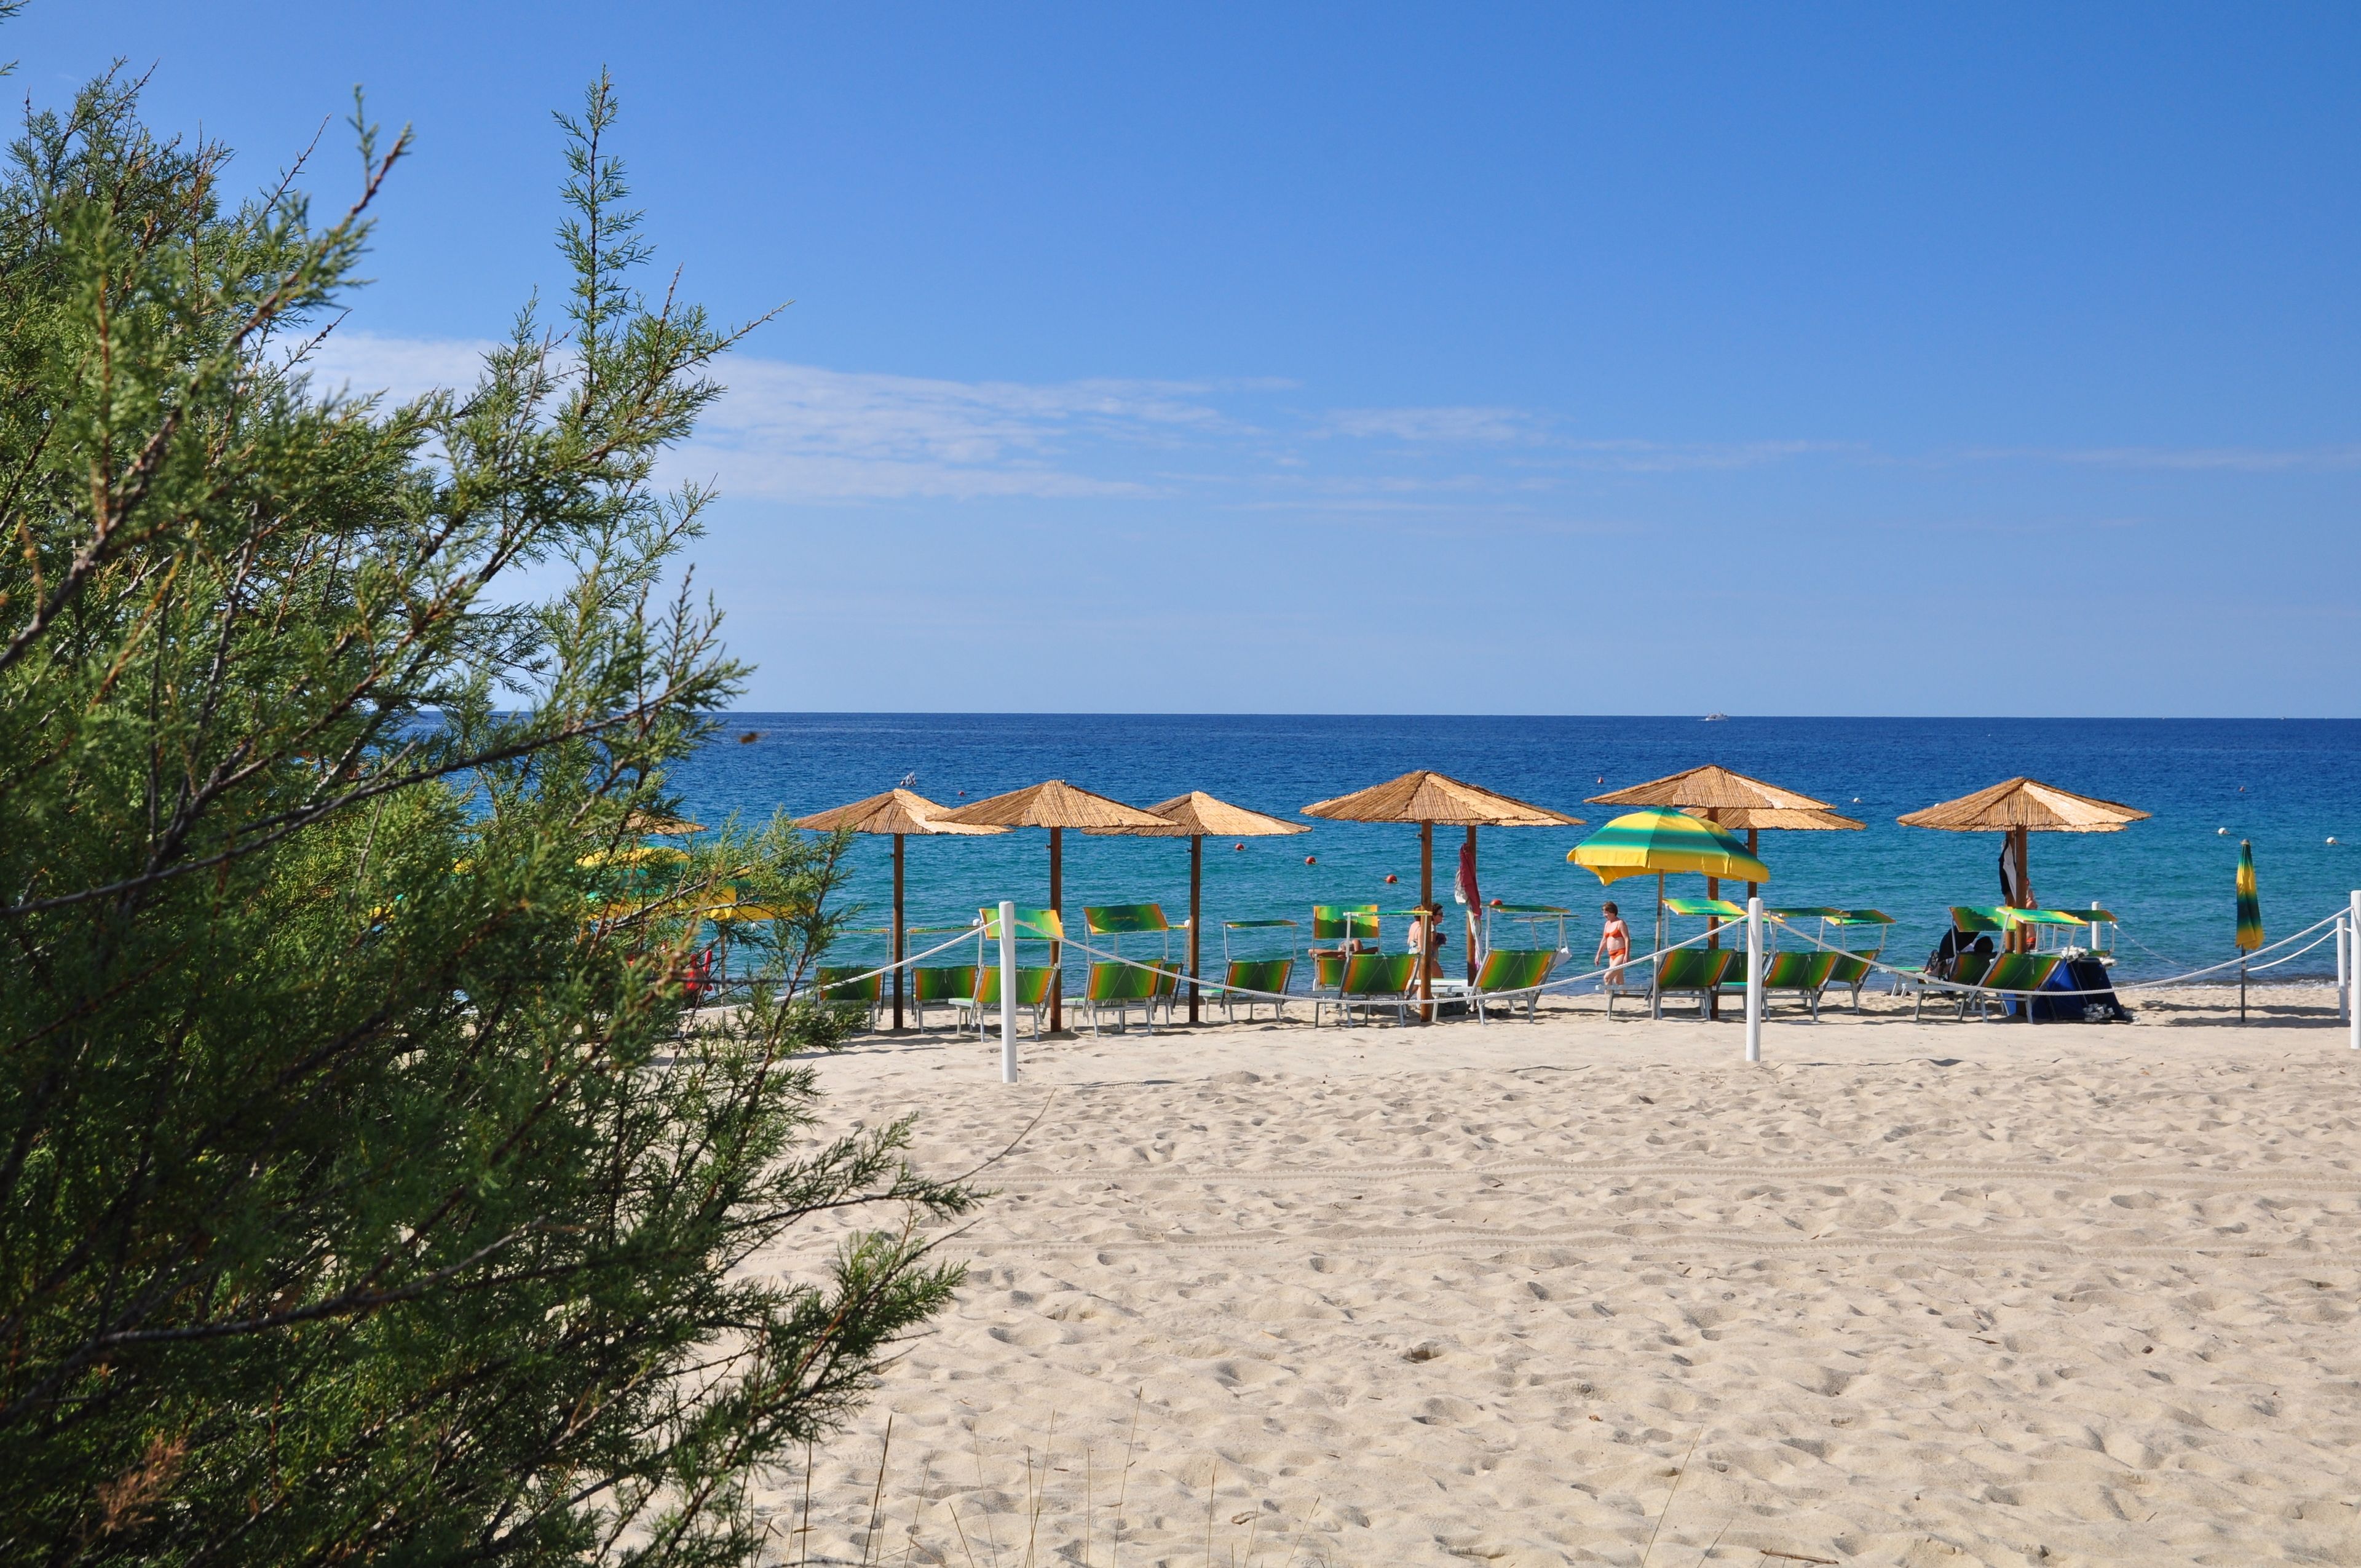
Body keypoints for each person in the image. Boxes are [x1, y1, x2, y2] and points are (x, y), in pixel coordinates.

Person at [1406, 904, 1449, 979]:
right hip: (1426, 959)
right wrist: (1440, 942)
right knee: (1440, 980)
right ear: (1433, 916)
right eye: (1441, 914)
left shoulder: (1414, 925)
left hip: (1412, 956)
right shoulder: (1430, 927)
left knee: (1417, 982)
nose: (1443, 916)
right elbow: (1430, 947)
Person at [1596, 901, 1629, 986]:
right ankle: (1624, 994)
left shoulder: (1620, 923)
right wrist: (1599, 955)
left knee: (1607, 978)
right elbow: (1604, 940)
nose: (1604, 915)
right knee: (1619, 982)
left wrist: (1627, 955)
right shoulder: (1607, 924)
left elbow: (1627, 939)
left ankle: (1608, 994)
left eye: (1606, 913)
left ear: (1613, 912)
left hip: (1620, 954)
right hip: (1612, 955)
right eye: (1604, 913)